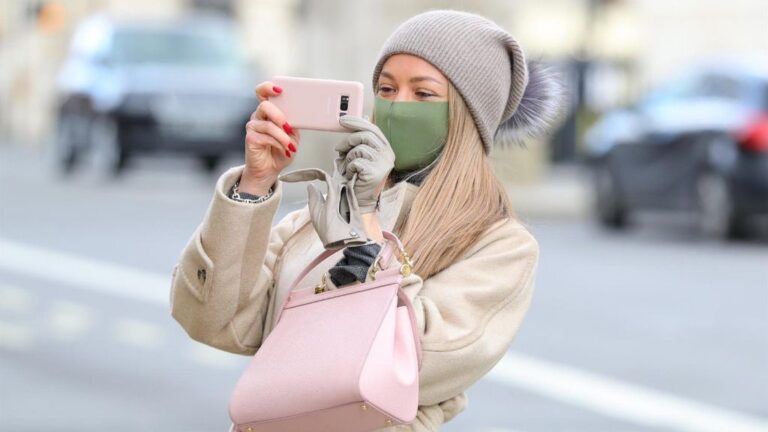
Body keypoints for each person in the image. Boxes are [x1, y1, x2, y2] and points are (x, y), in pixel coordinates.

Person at [170, 9, 562, 431]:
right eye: (386, 88)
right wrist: (254, 185)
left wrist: (365, 226)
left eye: (424, 94)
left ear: (468, 114)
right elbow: (214, 322)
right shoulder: (319, 215)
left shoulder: (500, 243)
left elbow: (416, 363)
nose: (397, 106)